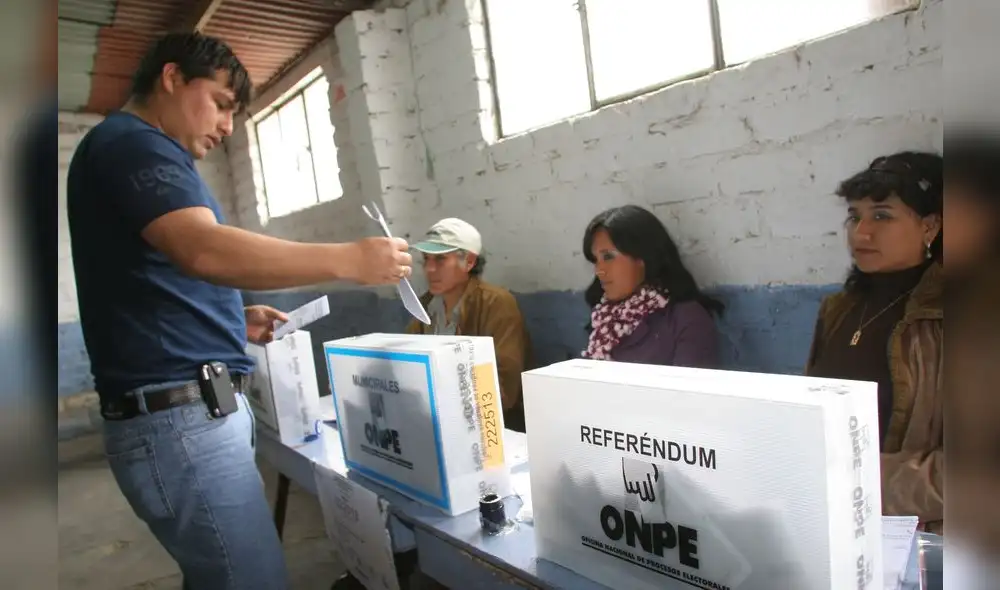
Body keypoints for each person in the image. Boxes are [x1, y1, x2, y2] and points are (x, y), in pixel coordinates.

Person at [66, 32, 412, 590]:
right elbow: (203, 250)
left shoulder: (127, 149)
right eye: (222, 104)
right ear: (172, 77)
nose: (228, 127)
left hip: (182, 413)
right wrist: (347, 259)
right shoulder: (137, 145)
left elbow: (160, 273)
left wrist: (231, 319)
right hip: (178, 419)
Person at [804, 151, 943, 532]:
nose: (860, 232)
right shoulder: (837, 309)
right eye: (854, 215)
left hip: (923, 544)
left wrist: (861, 482)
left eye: (882, 215)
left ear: (930, 227)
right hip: (834, 523)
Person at [404, 218, 531, 432]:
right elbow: (407, 365)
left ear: (469, 262)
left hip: (491, 430)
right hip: (437, 422)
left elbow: (503, 391)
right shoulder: (425, 306)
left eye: (441, 260)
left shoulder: (496, 303)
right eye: (426, 259)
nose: (430, 269)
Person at [581, 204, 722, 367]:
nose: (599, 271)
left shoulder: (686, 320)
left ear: (642, 258)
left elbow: (686, 391)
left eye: (608, 256)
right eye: (595, 260)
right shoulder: (604, 322)